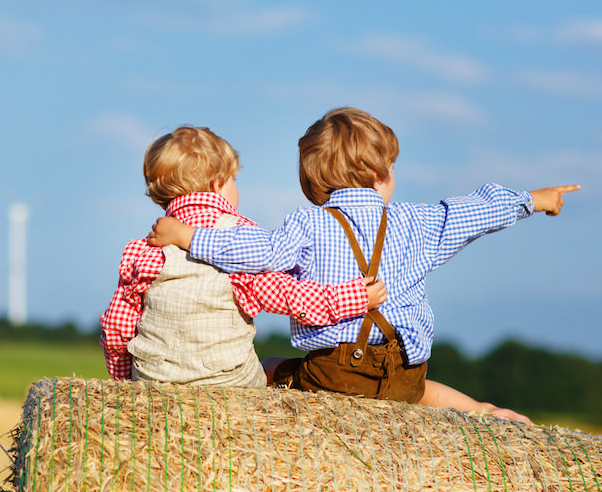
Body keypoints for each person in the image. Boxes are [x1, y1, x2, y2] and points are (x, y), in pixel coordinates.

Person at [147, 107, 579, 424]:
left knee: (273, 367)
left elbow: (258, 256)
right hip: (406, 374)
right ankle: (486, 411)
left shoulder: (308, 223)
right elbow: (475, 212)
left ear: (312, 183)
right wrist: (533, 199)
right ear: (381, 174)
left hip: (334, 374)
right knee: (417, 392)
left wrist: (188, 237)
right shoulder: (418, 222)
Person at [100, 124, 386, 388]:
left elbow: (117, 324)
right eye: (234, 180)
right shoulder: (241, 239)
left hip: (154, 380)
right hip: (227, 381)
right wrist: (356, 298)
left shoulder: (144, 249)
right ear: (217, 184)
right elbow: (289, 296)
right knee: (270, 376)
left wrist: (127, 383)